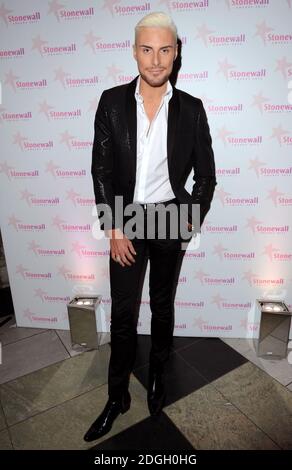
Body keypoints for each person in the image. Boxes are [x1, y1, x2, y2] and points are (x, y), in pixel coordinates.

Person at [84, 12, 216, 442]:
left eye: (165, 49)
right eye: (147, 49)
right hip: (126, 218)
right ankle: (116, 396)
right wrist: (114, 227)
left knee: (162, 306)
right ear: (134, 50)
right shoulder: (111, 101)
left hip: (168, 218)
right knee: (123, 315)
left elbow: (206, 177)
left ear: (177, 53)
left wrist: (188, 221)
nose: (155, 60)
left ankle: (158, 377)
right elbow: (100, 170)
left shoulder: (192, 110)